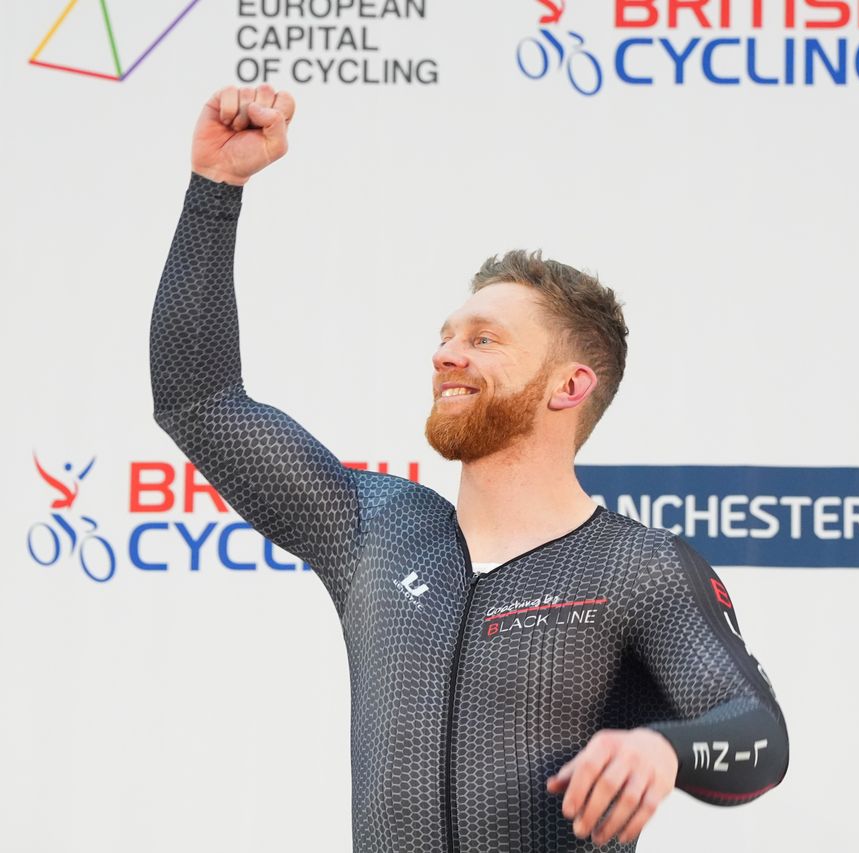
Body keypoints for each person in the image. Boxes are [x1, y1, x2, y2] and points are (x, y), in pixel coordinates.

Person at [150, 83, 788, 852]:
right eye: (448, 335)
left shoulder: (637, 566)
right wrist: (216, 190)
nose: (446, 352)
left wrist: (665, 747)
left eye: (484, 339)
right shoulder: (374, 528)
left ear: (569, 385)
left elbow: (758, 736)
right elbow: (200, 399)